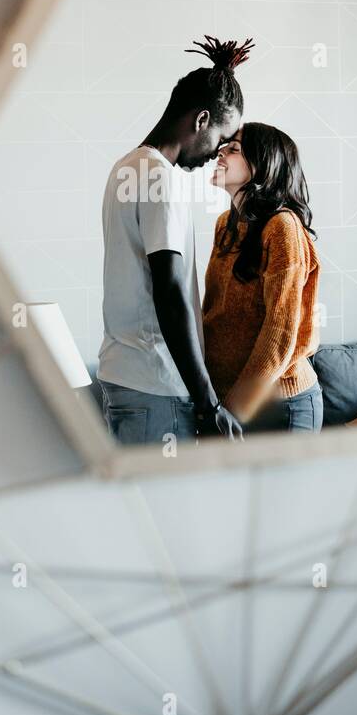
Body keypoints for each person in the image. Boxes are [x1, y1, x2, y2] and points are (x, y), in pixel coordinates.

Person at [97, 35, 254, 447]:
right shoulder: (159, 178)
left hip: (124, 377)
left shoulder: (125, 167)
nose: (216, 154)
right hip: (156, 383)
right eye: (220, 140)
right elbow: (169, 289)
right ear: (201, 120)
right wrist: (207, 402)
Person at [202, 122, 323, 433]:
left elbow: (280, 331)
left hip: (281, 407)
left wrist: (232, 409)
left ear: (263, 166)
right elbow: (213, 312)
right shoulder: (225, 225)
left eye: (234, 149)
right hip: (226, 404)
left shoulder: (282, 228)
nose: (221, 153)